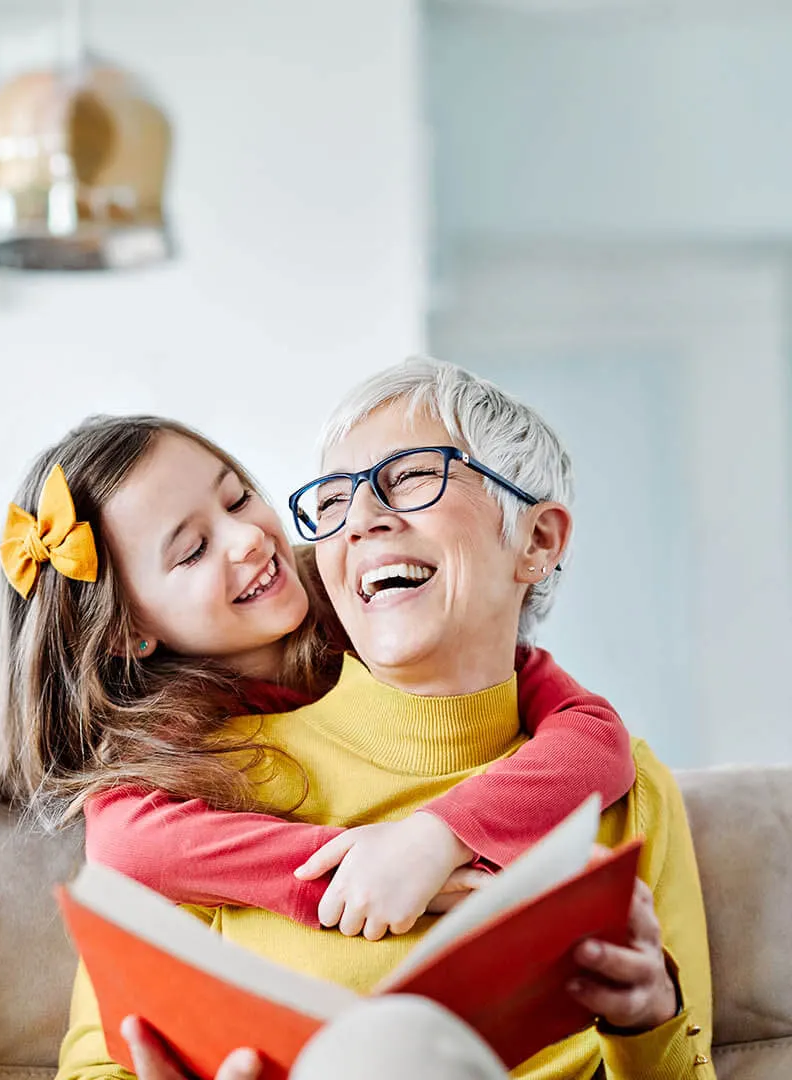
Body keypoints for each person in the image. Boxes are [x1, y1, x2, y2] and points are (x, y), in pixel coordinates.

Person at [45, 358, 713, 1077]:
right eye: (334, 500)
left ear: (538, 542)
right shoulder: (202, 780)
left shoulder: (628, 787)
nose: (362, 519)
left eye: (411, 476)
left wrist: (651, 1021)